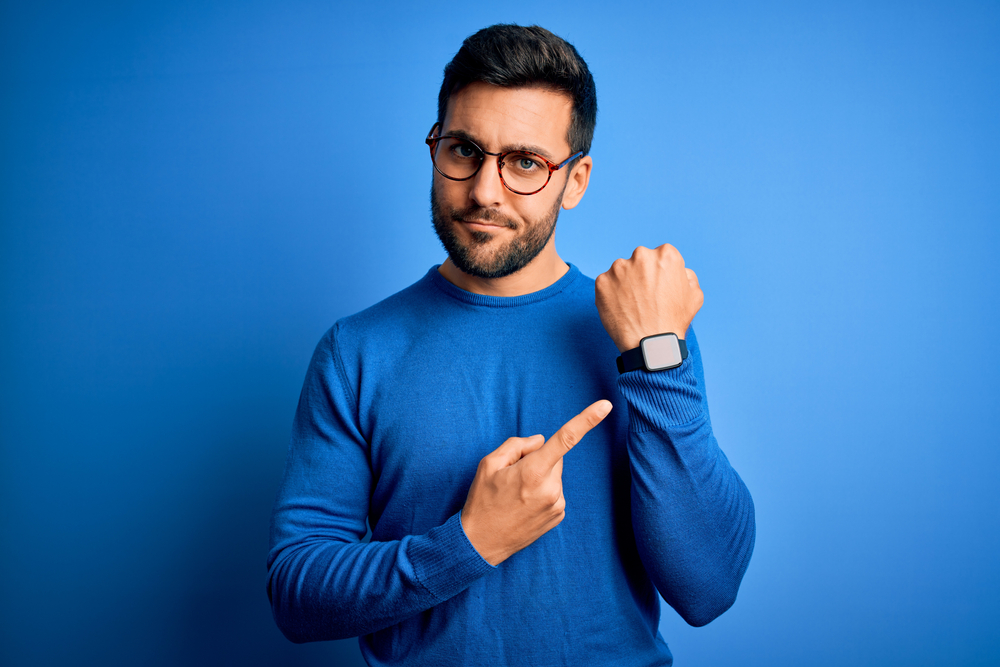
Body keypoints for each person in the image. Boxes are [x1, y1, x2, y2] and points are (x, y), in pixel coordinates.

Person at [267, 23, 755, 666]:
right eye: (464, 150)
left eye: (525, 162)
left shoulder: (644, 330)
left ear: (575, 181)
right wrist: (469, 543)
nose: (484, 191)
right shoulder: (356, 352)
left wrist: (658, 356)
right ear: (436, 145)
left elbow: (709, 587)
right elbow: (297, 594)